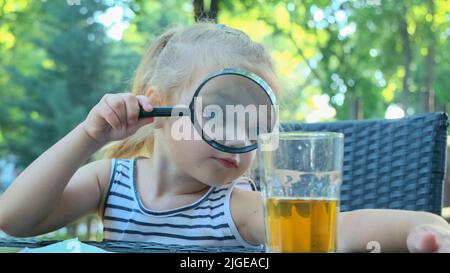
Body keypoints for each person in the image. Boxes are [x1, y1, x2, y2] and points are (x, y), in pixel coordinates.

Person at [0, 23, 449, 252]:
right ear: (159, 110)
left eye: (255, 124)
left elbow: (338, 229)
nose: (242, 138)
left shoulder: (233, 205)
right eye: (218, 114)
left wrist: (422, 227)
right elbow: (15, 220)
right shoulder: (110, 181)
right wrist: (87, 135)